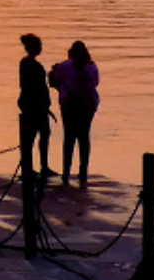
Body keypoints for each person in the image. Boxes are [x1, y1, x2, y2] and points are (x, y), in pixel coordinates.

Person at [49, 40, 100, 189]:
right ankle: (83, 172)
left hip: (69, 105)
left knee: (69, 138)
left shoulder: (65, 66)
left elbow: (55, 79)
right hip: (88, 105)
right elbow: (96, 83)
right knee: (84, 138)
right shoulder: (92, 67)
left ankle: (66, 172)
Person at [18, 33, 51, 186]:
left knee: (34, 137)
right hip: (36, 106)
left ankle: (32, 168)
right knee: (38, 136)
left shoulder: (24, 63)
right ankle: (38, 168)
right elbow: (38, 88)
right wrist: (44, 106)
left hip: (30, 105)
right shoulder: (34, 66)